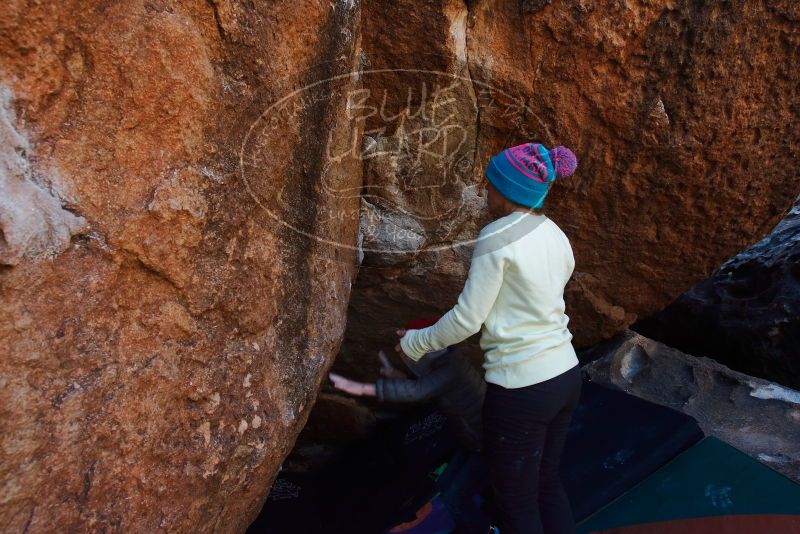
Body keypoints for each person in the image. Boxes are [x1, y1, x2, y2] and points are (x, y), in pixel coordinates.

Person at [396, 143, 583, 534]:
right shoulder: (556, 235)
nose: (486, 192)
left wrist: (416, 342)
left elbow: (468, 319)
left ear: (507, 190)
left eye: (491, 185)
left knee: (515, 504)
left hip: (522, 390)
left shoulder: (498, 235)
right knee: (547, 484)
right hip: (565, 374)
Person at [329, 317, 490, 534]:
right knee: (445, 488)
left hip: (492, 444)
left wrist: (359, 388)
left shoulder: (451, 368)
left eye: (410, 342)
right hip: (474, 441)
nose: (403, 351)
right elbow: (426, 388)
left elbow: (417, 391)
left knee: (455, 495)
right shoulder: (444, 362)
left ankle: (483, 530)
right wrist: (396, 376)